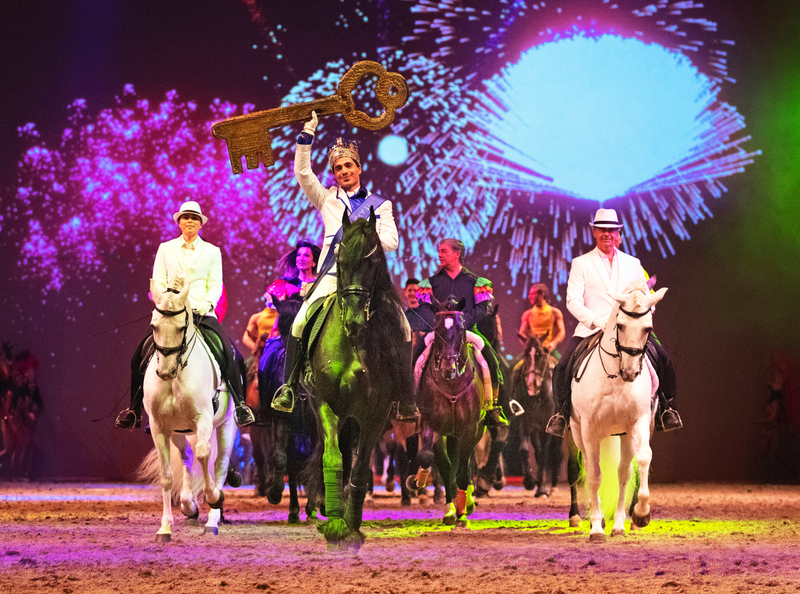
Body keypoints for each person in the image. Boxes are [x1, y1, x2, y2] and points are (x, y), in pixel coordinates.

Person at [271, 112, 417, 421]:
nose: (343, 171)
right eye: (338, 168)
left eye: (348, 166)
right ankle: (289, 387)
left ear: (359, 168)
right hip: (331, 276)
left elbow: (392, 241)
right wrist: (307, 134)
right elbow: (302, 172)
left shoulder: (381, 204)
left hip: (368, 279)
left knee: (403, 326)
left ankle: (404, 396)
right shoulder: (326, 199)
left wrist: (360, 240)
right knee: (299, 322)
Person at [116, 201, 255, 429]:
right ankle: (134, 410)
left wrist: (206, 304)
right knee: (140, 354)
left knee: (234, 355)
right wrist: (165, 302)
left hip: (202, 312)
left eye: (194, 218)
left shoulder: (212, 251)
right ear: (179, 222)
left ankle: (240, 406)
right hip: (172, 312)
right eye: (185, 217)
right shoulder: (166, 248)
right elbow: (158, 281)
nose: (190, 221)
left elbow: (216, 284)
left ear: (200, 223)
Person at [545, 208, 682, 437]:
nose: (607, 233)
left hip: (629, 328)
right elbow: (573, 301)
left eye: (612, 230)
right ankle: (560, 414)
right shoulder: (581, 263)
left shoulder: (632, 263)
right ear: (594, 232)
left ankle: (667, 409)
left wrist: (647, 309)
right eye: (602, 229)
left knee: (664, 361)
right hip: (592, 327)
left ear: (618, 233)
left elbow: (643, 295)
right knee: (562, 367)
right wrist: (595, 320)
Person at [415, 238, 508, 427]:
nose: (439, 255)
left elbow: (482, 309)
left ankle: (493, 408)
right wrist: (439, 324)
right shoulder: (430, 283)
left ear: (457, 254)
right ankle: (411, 404)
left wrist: (461, 323)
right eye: (439, 251)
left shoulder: (476, 282)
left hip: (468, 332)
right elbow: (423, 308)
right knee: (415, 355)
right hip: (438, 333)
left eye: (444, 251)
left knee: (491, 359)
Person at [242, 241, 320, 356]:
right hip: (284, 334)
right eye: (299, 255)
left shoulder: (320, 286)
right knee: (269, 356)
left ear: (314, 262)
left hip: (312, 331)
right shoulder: (282, 285)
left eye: (306, 255)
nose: (301, 258)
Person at [517, 283, 566, 360]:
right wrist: (529, 344)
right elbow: (521, 333)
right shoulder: (527, 314)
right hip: (533, 350)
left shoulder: (555, 312)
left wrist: (554, 343)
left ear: (542, 294)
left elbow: (561, 331)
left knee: (564, 365)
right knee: (515, 366)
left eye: (532, 294)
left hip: (549, 349)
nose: (529, 296)